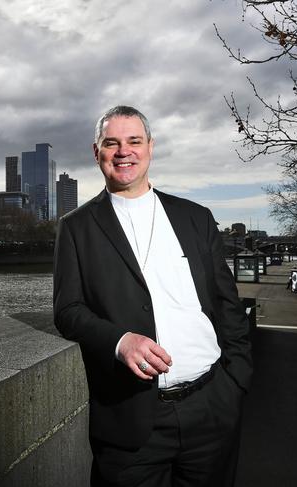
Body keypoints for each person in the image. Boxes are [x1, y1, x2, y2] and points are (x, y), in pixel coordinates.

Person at [53, 106, 252, 486]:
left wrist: (236, 382)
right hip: (131, 422)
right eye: (111, 143)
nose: (123, 151)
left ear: (150, 148)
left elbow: (227, 305)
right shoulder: (75, 227)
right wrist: (119, 341)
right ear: (97, 153)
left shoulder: (195, 217)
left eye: (134, 141)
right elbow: (67, 310)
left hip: (212, 407)